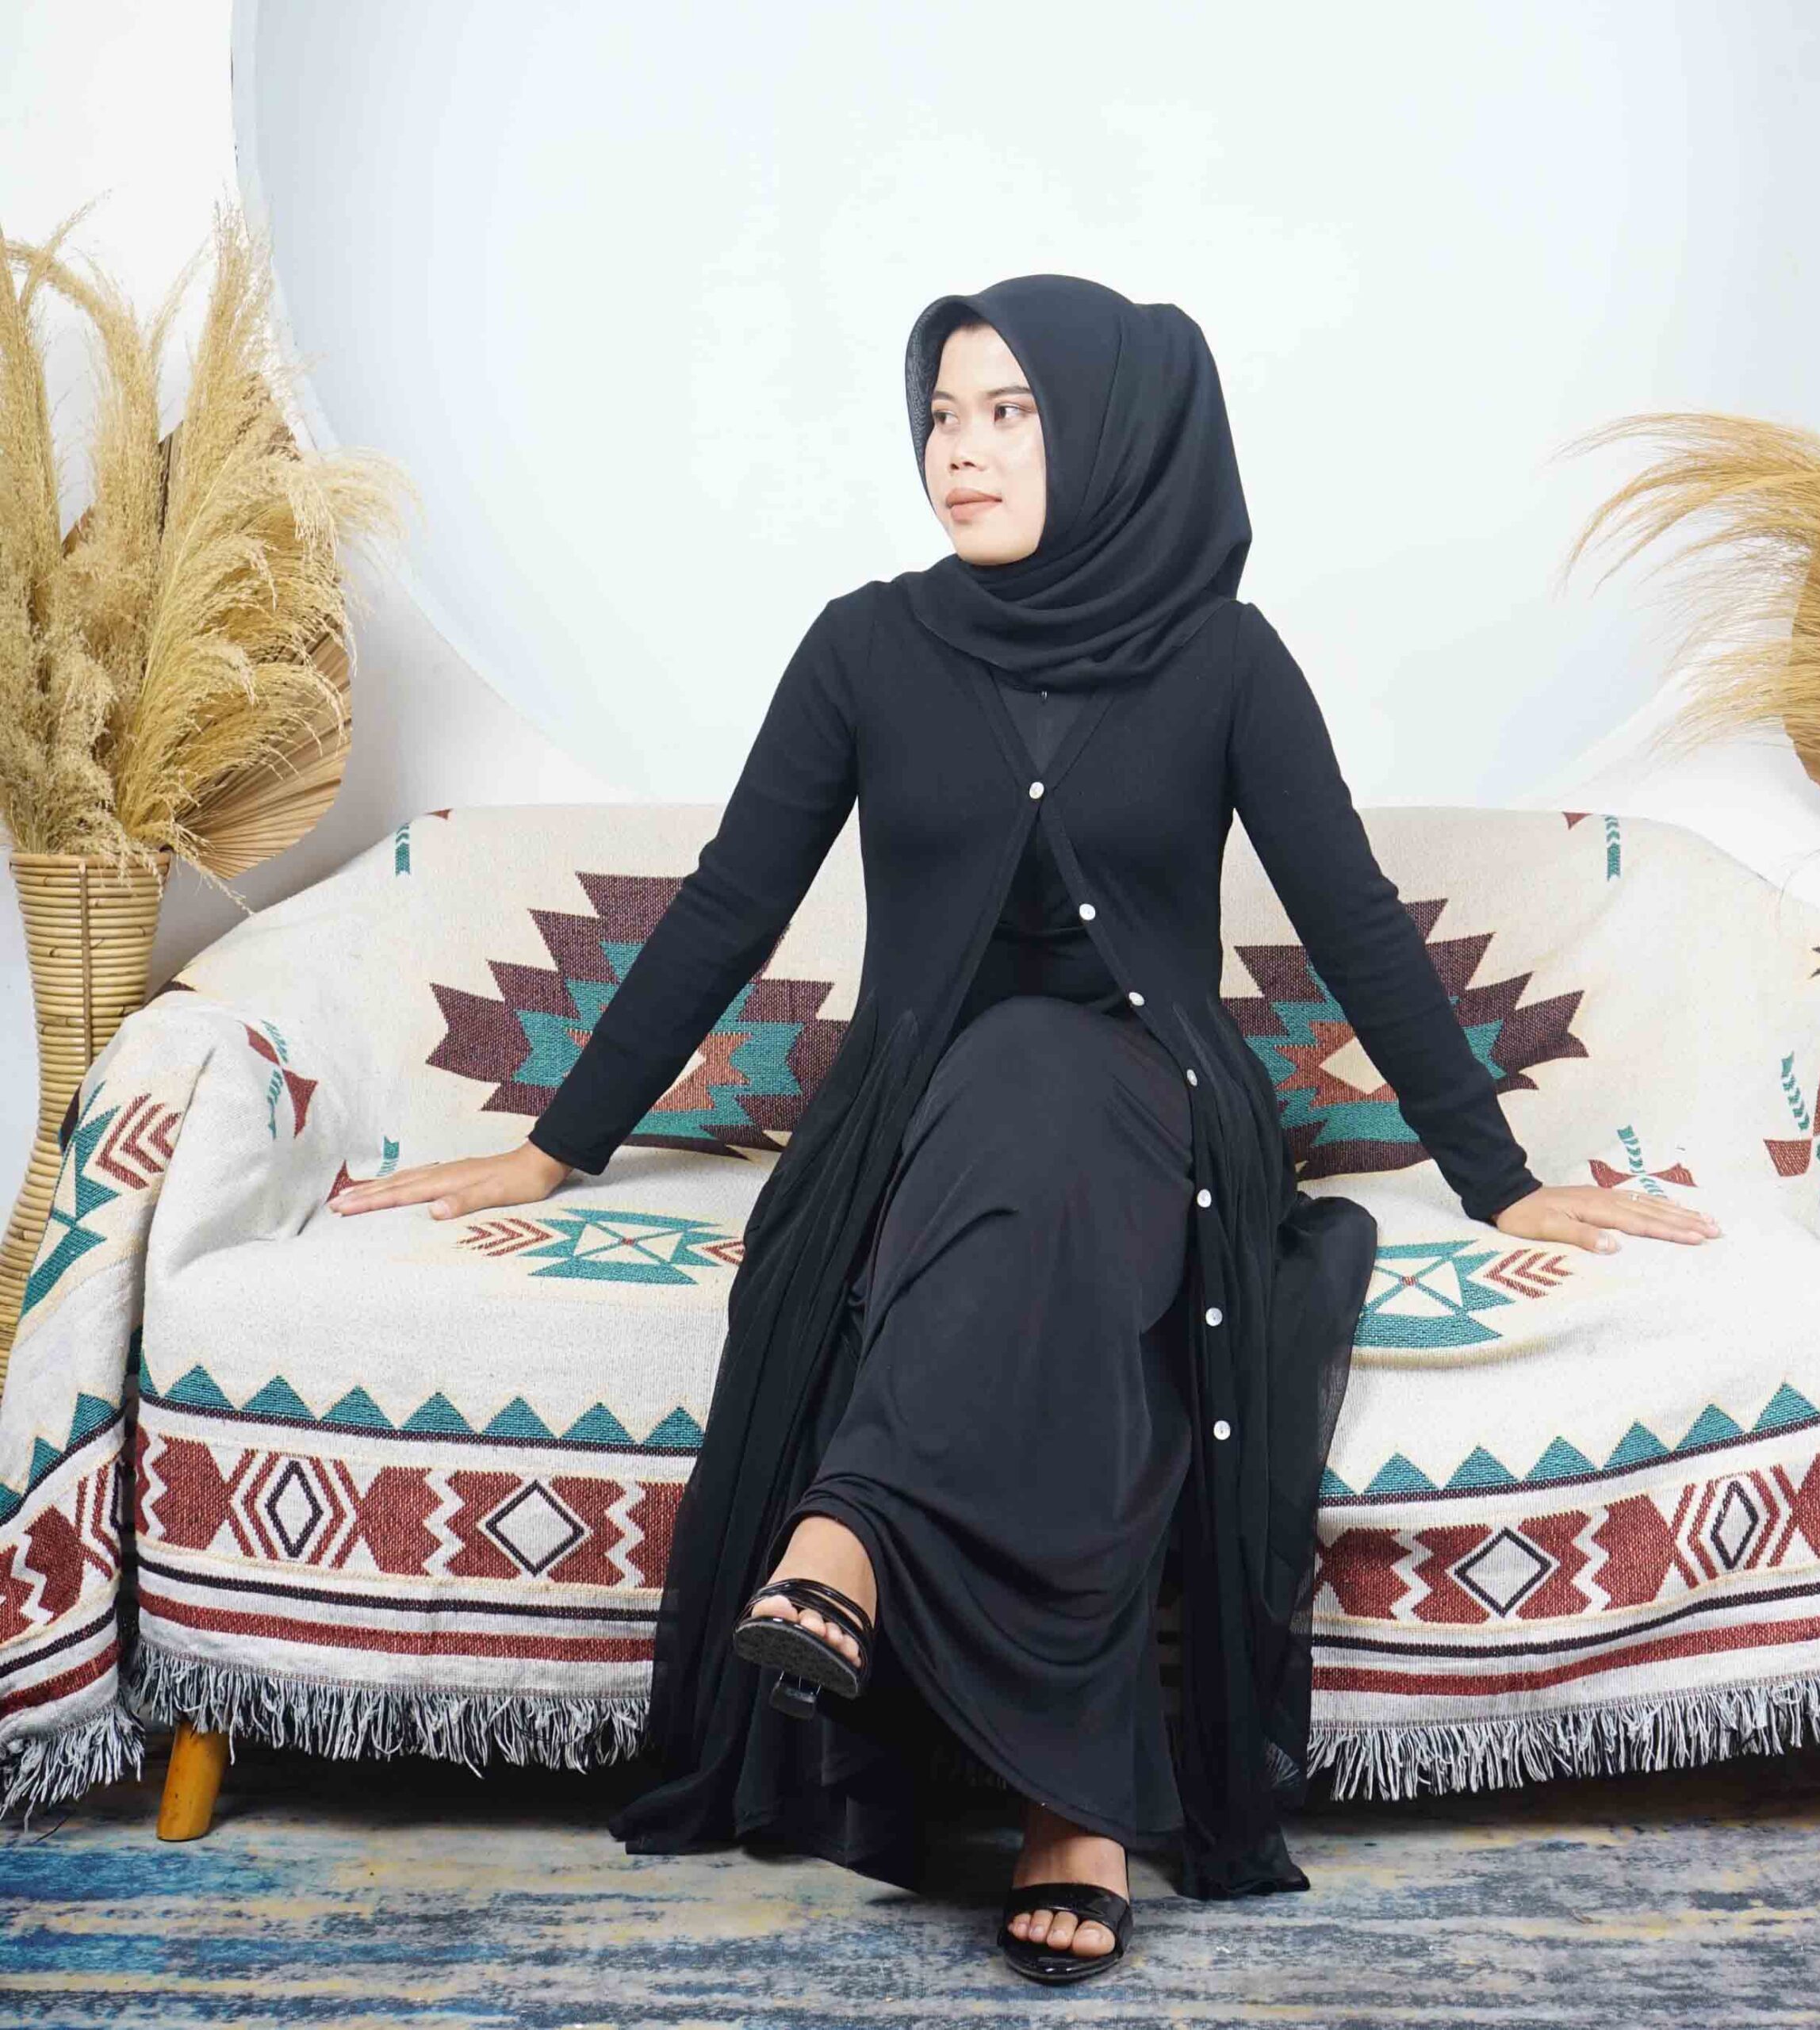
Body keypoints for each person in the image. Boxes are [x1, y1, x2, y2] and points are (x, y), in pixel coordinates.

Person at [332, 274, 1721, 1984]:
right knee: (1049, 1210)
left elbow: (1351, 914)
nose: (960, 451)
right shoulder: (866, 646)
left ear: (1113, 436)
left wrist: (1499, 1179)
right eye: (941, 412)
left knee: (1054, 1093)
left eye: (1010, 413)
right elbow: (728, 903)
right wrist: (558, 1143)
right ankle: (1079, 1802)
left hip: (1158, 1106)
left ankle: (845, 1536)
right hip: (921, 1123)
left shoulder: (1223, 659)